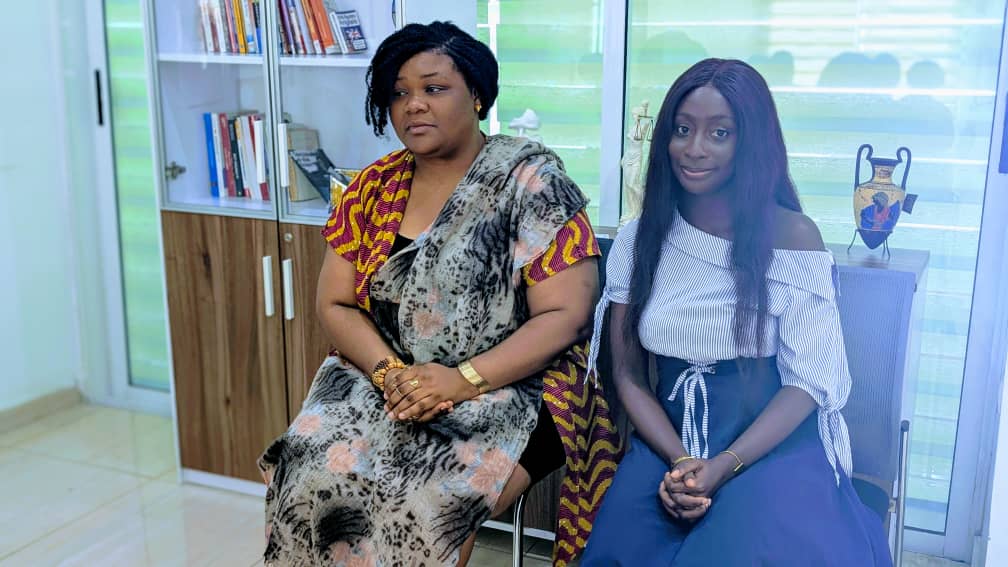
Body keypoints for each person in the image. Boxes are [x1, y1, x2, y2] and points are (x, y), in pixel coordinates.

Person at [258, 21, 621, 567]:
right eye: (398, 93)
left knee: (420, 498)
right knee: (311, 470)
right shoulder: (372, 188)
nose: (413, 105)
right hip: (386, 376)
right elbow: (335, 302)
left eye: (434, 88)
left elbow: (566, 316)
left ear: (476, 95)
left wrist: (459, 379)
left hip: (515, 384)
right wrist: (390, 375)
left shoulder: (532, 183)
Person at [580, 59, 892, 566]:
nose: (694, 148)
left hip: (772, 442)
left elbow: (807, 382)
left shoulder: (792, 237)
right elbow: (629, 375)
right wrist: (682, 461)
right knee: (619, 548)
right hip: (669, 439)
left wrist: (723, 465)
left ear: (751, 143)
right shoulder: (639, 239)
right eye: (682, 130)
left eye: (719, 133)